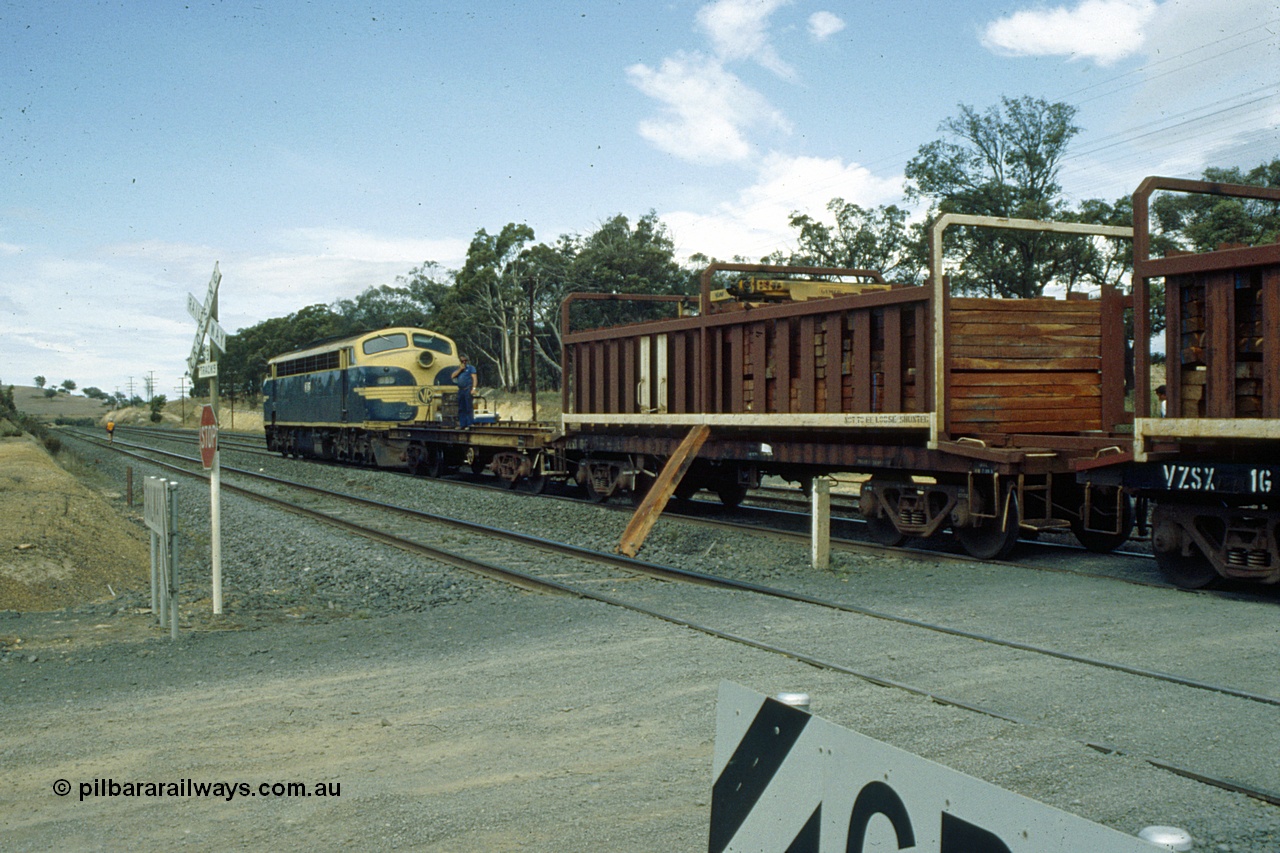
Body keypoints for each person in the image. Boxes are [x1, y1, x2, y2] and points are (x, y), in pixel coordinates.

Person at [451, 355, 477, 428]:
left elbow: (474, 378)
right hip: (461, 390)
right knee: (461, 407)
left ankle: (470, 423)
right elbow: (452, 376)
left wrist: (474, 388)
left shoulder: (471, 368)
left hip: (468, 389)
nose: (464, 362)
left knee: (468, 406)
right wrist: (460, 370)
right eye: (462, 361)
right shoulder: (458, 369)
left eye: (465, 361)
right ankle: (463, 424)